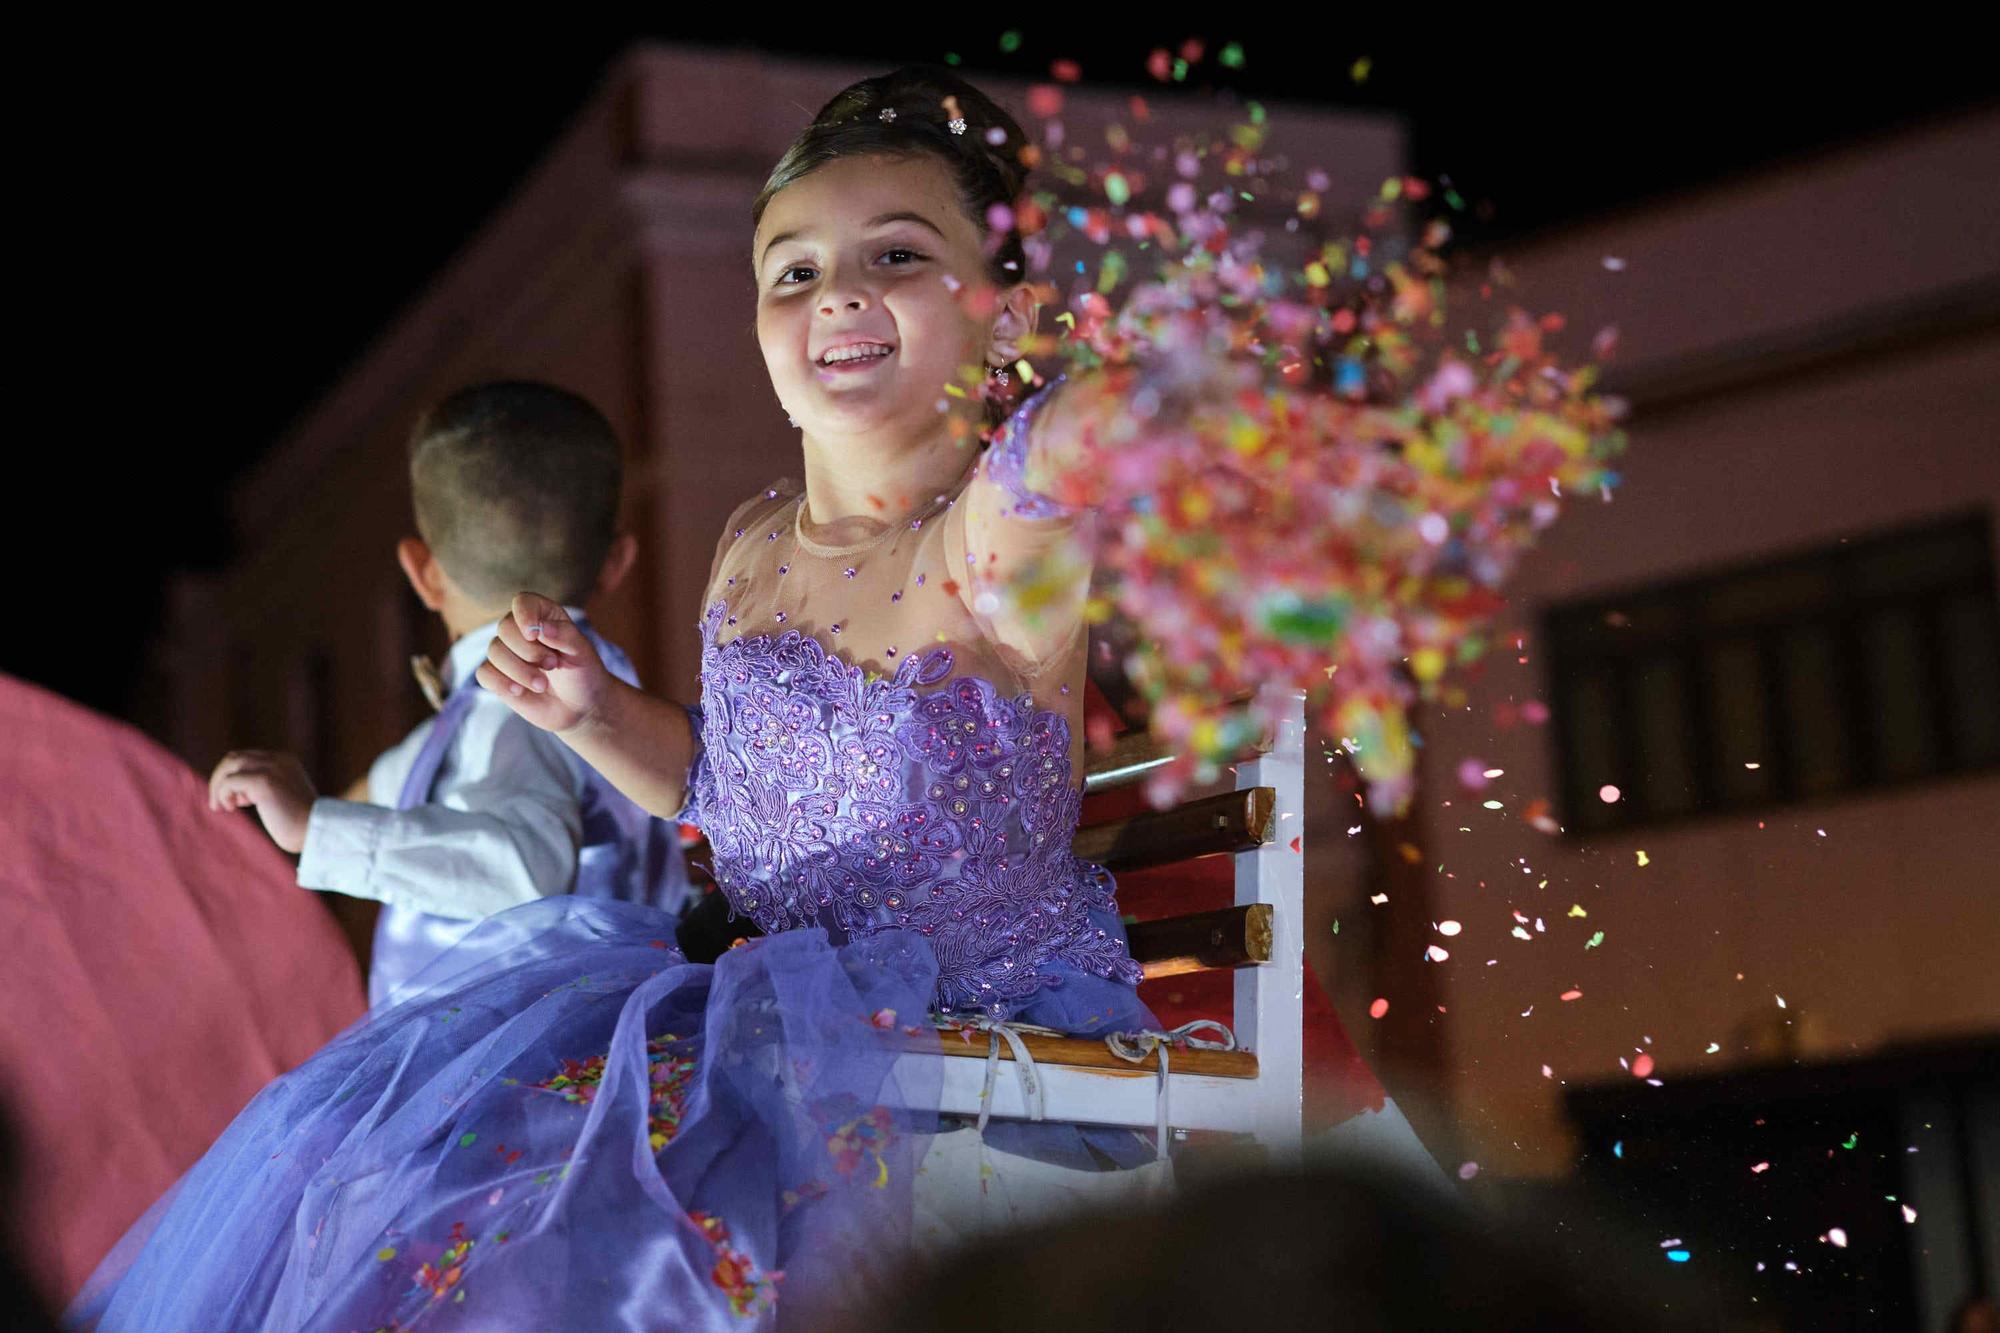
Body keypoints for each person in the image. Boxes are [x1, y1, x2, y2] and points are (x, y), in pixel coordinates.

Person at [73, 68, 1402, 1330]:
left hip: (962, 1043)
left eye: (896, 254)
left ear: (1003, 309)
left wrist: (1151, 393)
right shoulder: (754, 544)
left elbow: (1084, 439)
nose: (839, 293)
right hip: (773, 1017)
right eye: (796, 269)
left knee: (546, 1205)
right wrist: (594, 712)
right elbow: (718, 788)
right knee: (430, 1172)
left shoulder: (994, 531)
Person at [206, 380, 692, 1006]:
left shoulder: (520, 696)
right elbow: (425, 780)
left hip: (520, 1056)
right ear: (617, 563)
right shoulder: (594, 694)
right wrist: (332, 809)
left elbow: (522, 869)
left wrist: (317, 829)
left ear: (422, 572)